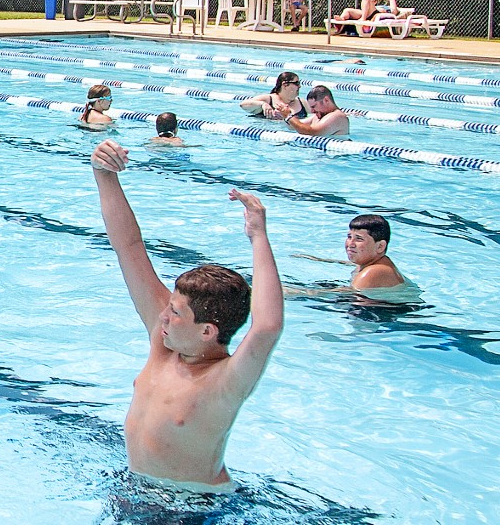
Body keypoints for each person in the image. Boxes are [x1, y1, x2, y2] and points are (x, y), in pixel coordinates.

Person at [87, 139, 281, 493]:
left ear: (207, 331)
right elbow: (128, 247)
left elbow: (267, 326)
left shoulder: (225, 381)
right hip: (135, 489)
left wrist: (258, 236)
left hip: (194, 508)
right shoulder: (164, 345)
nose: (162, 316)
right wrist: (104, 175)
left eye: (175, 312)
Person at [344, 213, 406, 290]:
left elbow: (348, 293)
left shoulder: (373, 272)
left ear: (380, 246)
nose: (350, 244)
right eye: (349, 237)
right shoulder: (374, 262)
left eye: (359, 239)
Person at [284, 85, 349, 137]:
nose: (312, 111)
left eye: (314, 106)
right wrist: (283, 113)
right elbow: (292, 126)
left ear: (326, 100)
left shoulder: (338, 116)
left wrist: (289, 116)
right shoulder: (319, 116)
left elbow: (312, 132)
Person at [239, 72, 307, 120]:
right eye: (297, 83)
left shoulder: (302, 103)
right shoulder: (269, 99)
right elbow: (243, 104)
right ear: (285, 85)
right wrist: (263, 104)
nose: (300, 86)